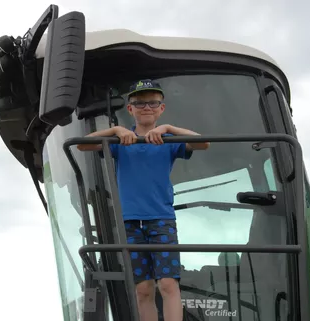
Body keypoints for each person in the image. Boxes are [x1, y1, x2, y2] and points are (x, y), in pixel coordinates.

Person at [77, 79, 210, 321]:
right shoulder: (120, 143)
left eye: (152, 102)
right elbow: (83, 146)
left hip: (161, 221)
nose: (146, 107)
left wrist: (168, 128)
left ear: (161, 108)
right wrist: (115, 130)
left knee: (168, 284)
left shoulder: (168, 142)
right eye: (139, 103)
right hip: (130, 223)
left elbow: (203, 142)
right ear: (130, 109)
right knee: (143, 289)